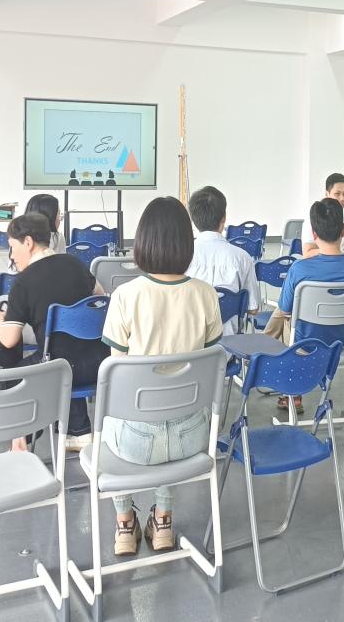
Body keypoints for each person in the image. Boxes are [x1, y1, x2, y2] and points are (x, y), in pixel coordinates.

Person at [99, 197, 223, 557]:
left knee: (111, 411)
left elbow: (119, 380)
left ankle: (125, 523)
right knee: (176, 405)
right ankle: (164, 520)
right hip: (193, 437)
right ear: (187, 244)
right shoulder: (206, 294)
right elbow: (211, 362)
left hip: (135, 442)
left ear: (143, 241)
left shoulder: (125, 296)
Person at [0, 212, 107, 451]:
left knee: (10, 375)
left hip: (58, 370)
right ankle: (78, 432)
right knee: (66, 346)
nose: (11, 255)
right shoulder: (74, 263)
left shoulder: (24, 282)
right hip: (99, 363)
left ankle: (20, 442)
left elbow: (8, 341)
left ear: (28, 242)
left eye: (12, 247)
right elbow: (100, 297)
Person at [276, 198, 344, 411]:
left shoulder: (299, 269)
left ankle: (291, 391)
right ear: (343, 231)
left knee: (282, 318)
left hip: (304, 345)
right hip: (339, 342)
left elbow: (285, 310)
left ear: (313, 234)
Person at [185, 185, 260, 335]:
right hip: (229, 345)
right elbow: (253, 309)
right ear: (224, 217)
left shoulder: (182, 255)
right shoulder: (243, 258)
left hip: (190, 344)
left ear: (193, 219)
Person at [301, 173, 344, 257]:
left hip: (341, 261)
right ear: (327, 194)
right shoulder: (313, 217)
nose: (342, 198)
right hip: (319, 262)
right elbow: (307, 253)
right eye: (337, 194)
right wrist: (334, 251)